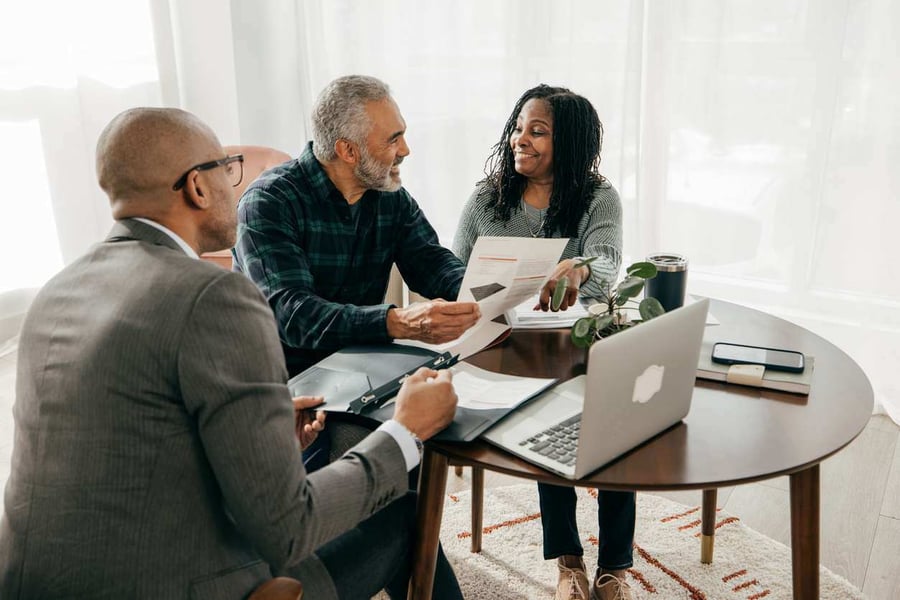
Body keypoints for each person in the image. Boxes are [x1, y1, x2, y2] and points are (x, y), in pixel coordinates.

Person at [0, 107, 464, 600]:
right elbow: (289, 528)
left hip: (29, 581)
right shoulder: (213, 296)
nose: (234, 182)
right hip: (172, 584)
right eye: (227, 167)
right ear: (198, 187)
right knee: (406, 513)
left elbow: (135, 438)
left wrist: (258, 430)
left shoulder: (56, 290)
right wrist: (404, 432)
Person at [452, 85, 635, 600]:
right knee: (545, 416)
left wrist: (579, 265)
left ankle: (616, 568)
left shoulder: (599, 199)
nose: (520, 141)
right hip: (506, 346)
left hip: (581, 345)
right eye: (518, 128)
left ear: (570, 143)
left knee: (619, 422)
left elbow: (604, 264)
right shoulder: (487, 199)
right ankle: (569, 560)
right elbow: (451, 269)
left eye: (537, 131)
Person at [232, 75, 481, 377]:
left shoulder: (390, 196)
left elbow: (430, 262)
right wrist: (397, 322)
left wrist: (484, 290)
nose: (405, 150)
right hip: (282, 383)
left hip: (357, 370)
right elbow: (294, 315)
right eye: (393, 139)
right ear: (348, 151)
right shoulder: (268, 202)